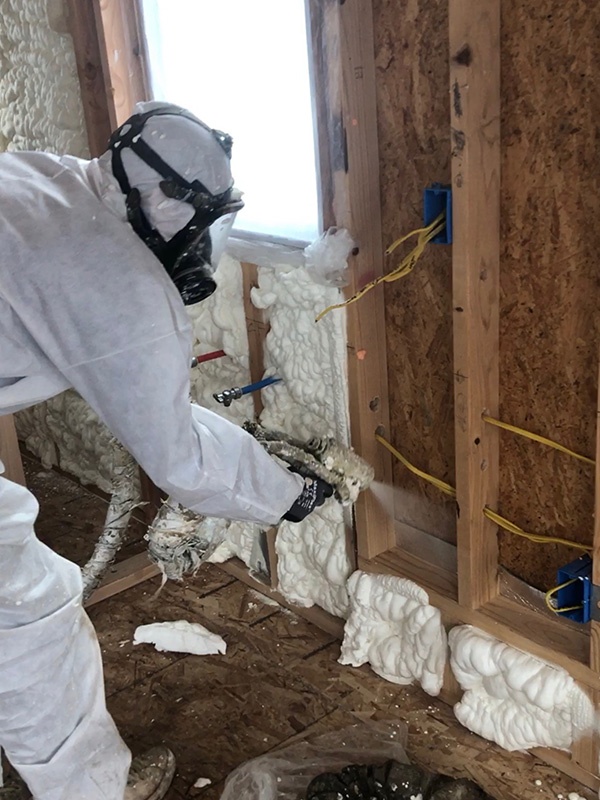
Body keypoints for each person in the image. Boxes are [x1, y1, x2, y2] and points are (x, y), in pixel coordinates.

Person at [0, 101, 333, 800]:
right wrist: (286, 492)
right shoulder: (116, 279)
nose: (203, 241)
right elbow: (179, 456)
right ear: (163, 198)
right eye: (203, 219)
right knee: (27, 613)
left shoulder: (43, 179)